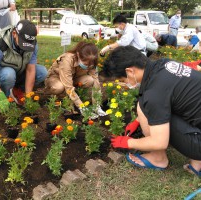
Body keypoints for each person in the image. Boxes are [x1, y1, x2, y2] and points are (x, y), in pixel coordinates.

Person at [103, 45, 201, 177]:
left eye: (122, 80)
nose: (124, 84)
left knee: (143, 106)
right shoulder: (165, 63)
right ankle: (197, 163)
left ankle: (158, 158)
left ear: (130, 71)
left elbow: (159, 142)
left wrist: (127, 142)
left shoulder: (153, 94)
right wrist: (137, 121)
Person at [0, 19, 47, 108]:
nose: (25, 47)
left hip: (19, 72)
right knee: (8, 74)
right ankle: (5, 95)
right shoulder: (0, 45)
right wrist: (0, 96)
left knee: (42, 72)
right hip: (1, 75)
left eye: (28, 44)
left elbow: (30, 69)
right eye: (23, 43)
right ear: (14, 34)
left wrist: (28, 95)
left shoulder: (33, 44)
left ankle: (18, 90)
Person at [45, 41, 107, 119]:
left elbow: (96, 82)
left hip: (73, 78)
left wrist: (97, 105)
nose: (88, 66)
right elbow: (68, 86)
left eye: (90, 64)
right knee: (59, 87)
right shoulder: (67, 60)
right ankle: (58, 98)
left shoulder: (91, 62)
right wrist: (81, 107)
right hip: (56, 78)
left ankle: (73, 97)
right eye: (85, 63)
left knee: (90, 80)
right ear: (78, 55)